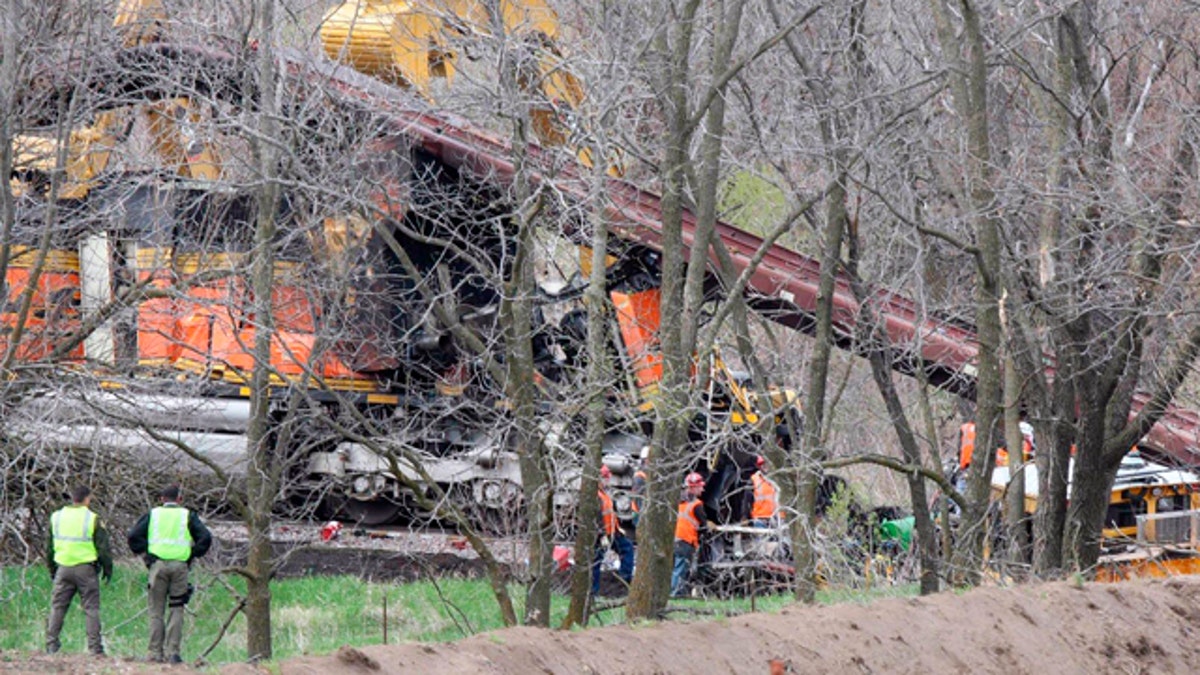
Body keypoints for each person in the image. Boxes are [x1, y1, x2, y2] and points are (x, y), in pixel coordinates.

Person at [128, 485, 213, 664]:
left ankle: (154, 653)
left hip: (157, 566)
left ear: (161, 499)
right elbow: (205, 537)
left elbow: (133, 535)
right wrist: (192, 554)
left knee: (156, 611)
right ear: (179, 499)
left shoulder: (153, 515)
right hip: (180, 567)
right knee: (177, 608)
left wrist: (146, 556)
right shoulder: (187, 515)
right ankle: (173, 652)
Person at [46, 485, 113, 656]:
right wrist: (107, 569)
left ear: (72, 498)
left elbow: (49, 547)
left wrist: (53, 569)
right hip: (86, 569)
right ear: (87, 499)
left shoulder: (56, 517)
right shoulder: (92, 518)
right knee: (91, 608)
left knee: (58, 607)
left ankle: (51, 644)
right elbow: (103, 548)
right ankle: (95, 648)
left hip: (63, 567)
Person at [592, 466, 634, 596]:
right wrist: (601, 535)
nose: (608, 481)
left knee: (627, 548)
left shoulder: (605, 494)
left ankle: (623, 579)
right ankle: (594, 591)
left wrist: (618, 529)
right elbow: (596, 517)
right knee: (596, 562)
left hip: (612, 532)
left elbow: (611, 514)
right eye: (605, 478)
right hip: (601, 535)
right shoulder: (596, 496)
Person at [671, 472, 708, 597]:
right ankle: (676, 594)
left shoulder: (677, 501)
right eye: (700, 486)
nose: (703, 489)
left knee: (677, 567)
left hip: (675, 538)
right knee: (681, 568)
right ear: (693, 487)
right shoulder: (697, 505)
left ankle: (680, 592)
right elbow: (704, 526)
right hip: (686, 539)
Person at [749, 455, 779, 527]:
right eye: (762, 464)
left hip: (777, 518)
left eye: (767, 463)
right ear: (759, 466)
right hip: (760, 518)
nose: (765, 466)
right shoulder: (754, 479)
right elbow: (747, 499)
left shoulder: (779, 480)